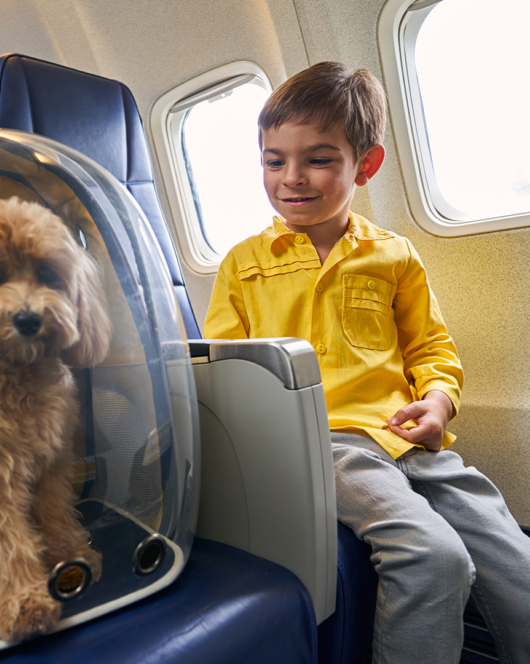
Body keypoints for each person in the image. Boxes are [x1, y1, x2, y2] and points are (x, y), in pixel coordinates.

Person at [203, 61, 530, 664]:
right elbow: (224, 373)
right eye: (274, 161)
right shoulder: (243, 264)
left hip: (411, 441)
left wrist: (438, 402)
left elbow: (432, 348)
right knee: (434, 557)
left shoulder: (394, 254)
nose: (291, 178)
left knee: (516, 564)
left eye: (318, 159)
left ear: (366, 164)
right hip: (322, 445)